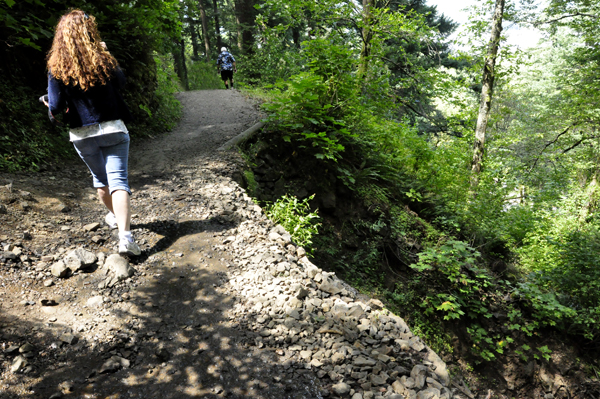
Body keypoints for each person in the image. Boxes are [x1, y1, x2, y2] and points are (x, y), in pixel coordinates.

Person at [44, 9, 141, 256]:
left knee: (101, 182)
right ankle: (125, 238)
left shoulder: (56, 66)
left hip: (81, 134)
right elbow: (121, 82)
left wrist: (49, 107)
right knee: (118, 181)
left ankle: (114, 217)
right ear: (90, 32)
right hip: (112, 128)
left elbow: (55, 107)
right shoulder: (103, 59)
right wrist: (106, 52)